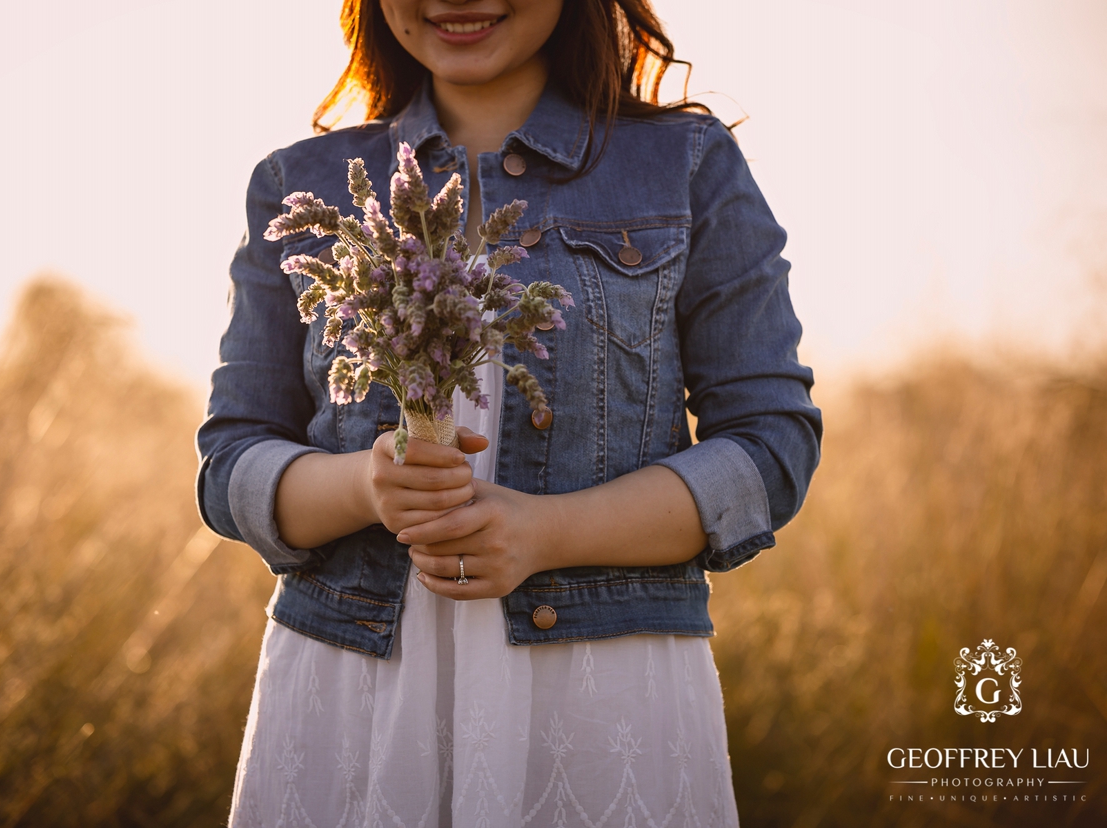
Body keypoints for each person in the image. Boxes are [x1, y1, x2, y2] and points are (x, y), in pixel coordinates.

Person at [195, 1, 822, 823]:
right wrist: (366, 485)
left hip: (602, 697)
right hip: (356, 694)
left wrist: (546, 533)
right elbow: (229, 465)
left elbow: (771, 449)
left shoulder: (685, 165)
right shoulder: (297, 183)